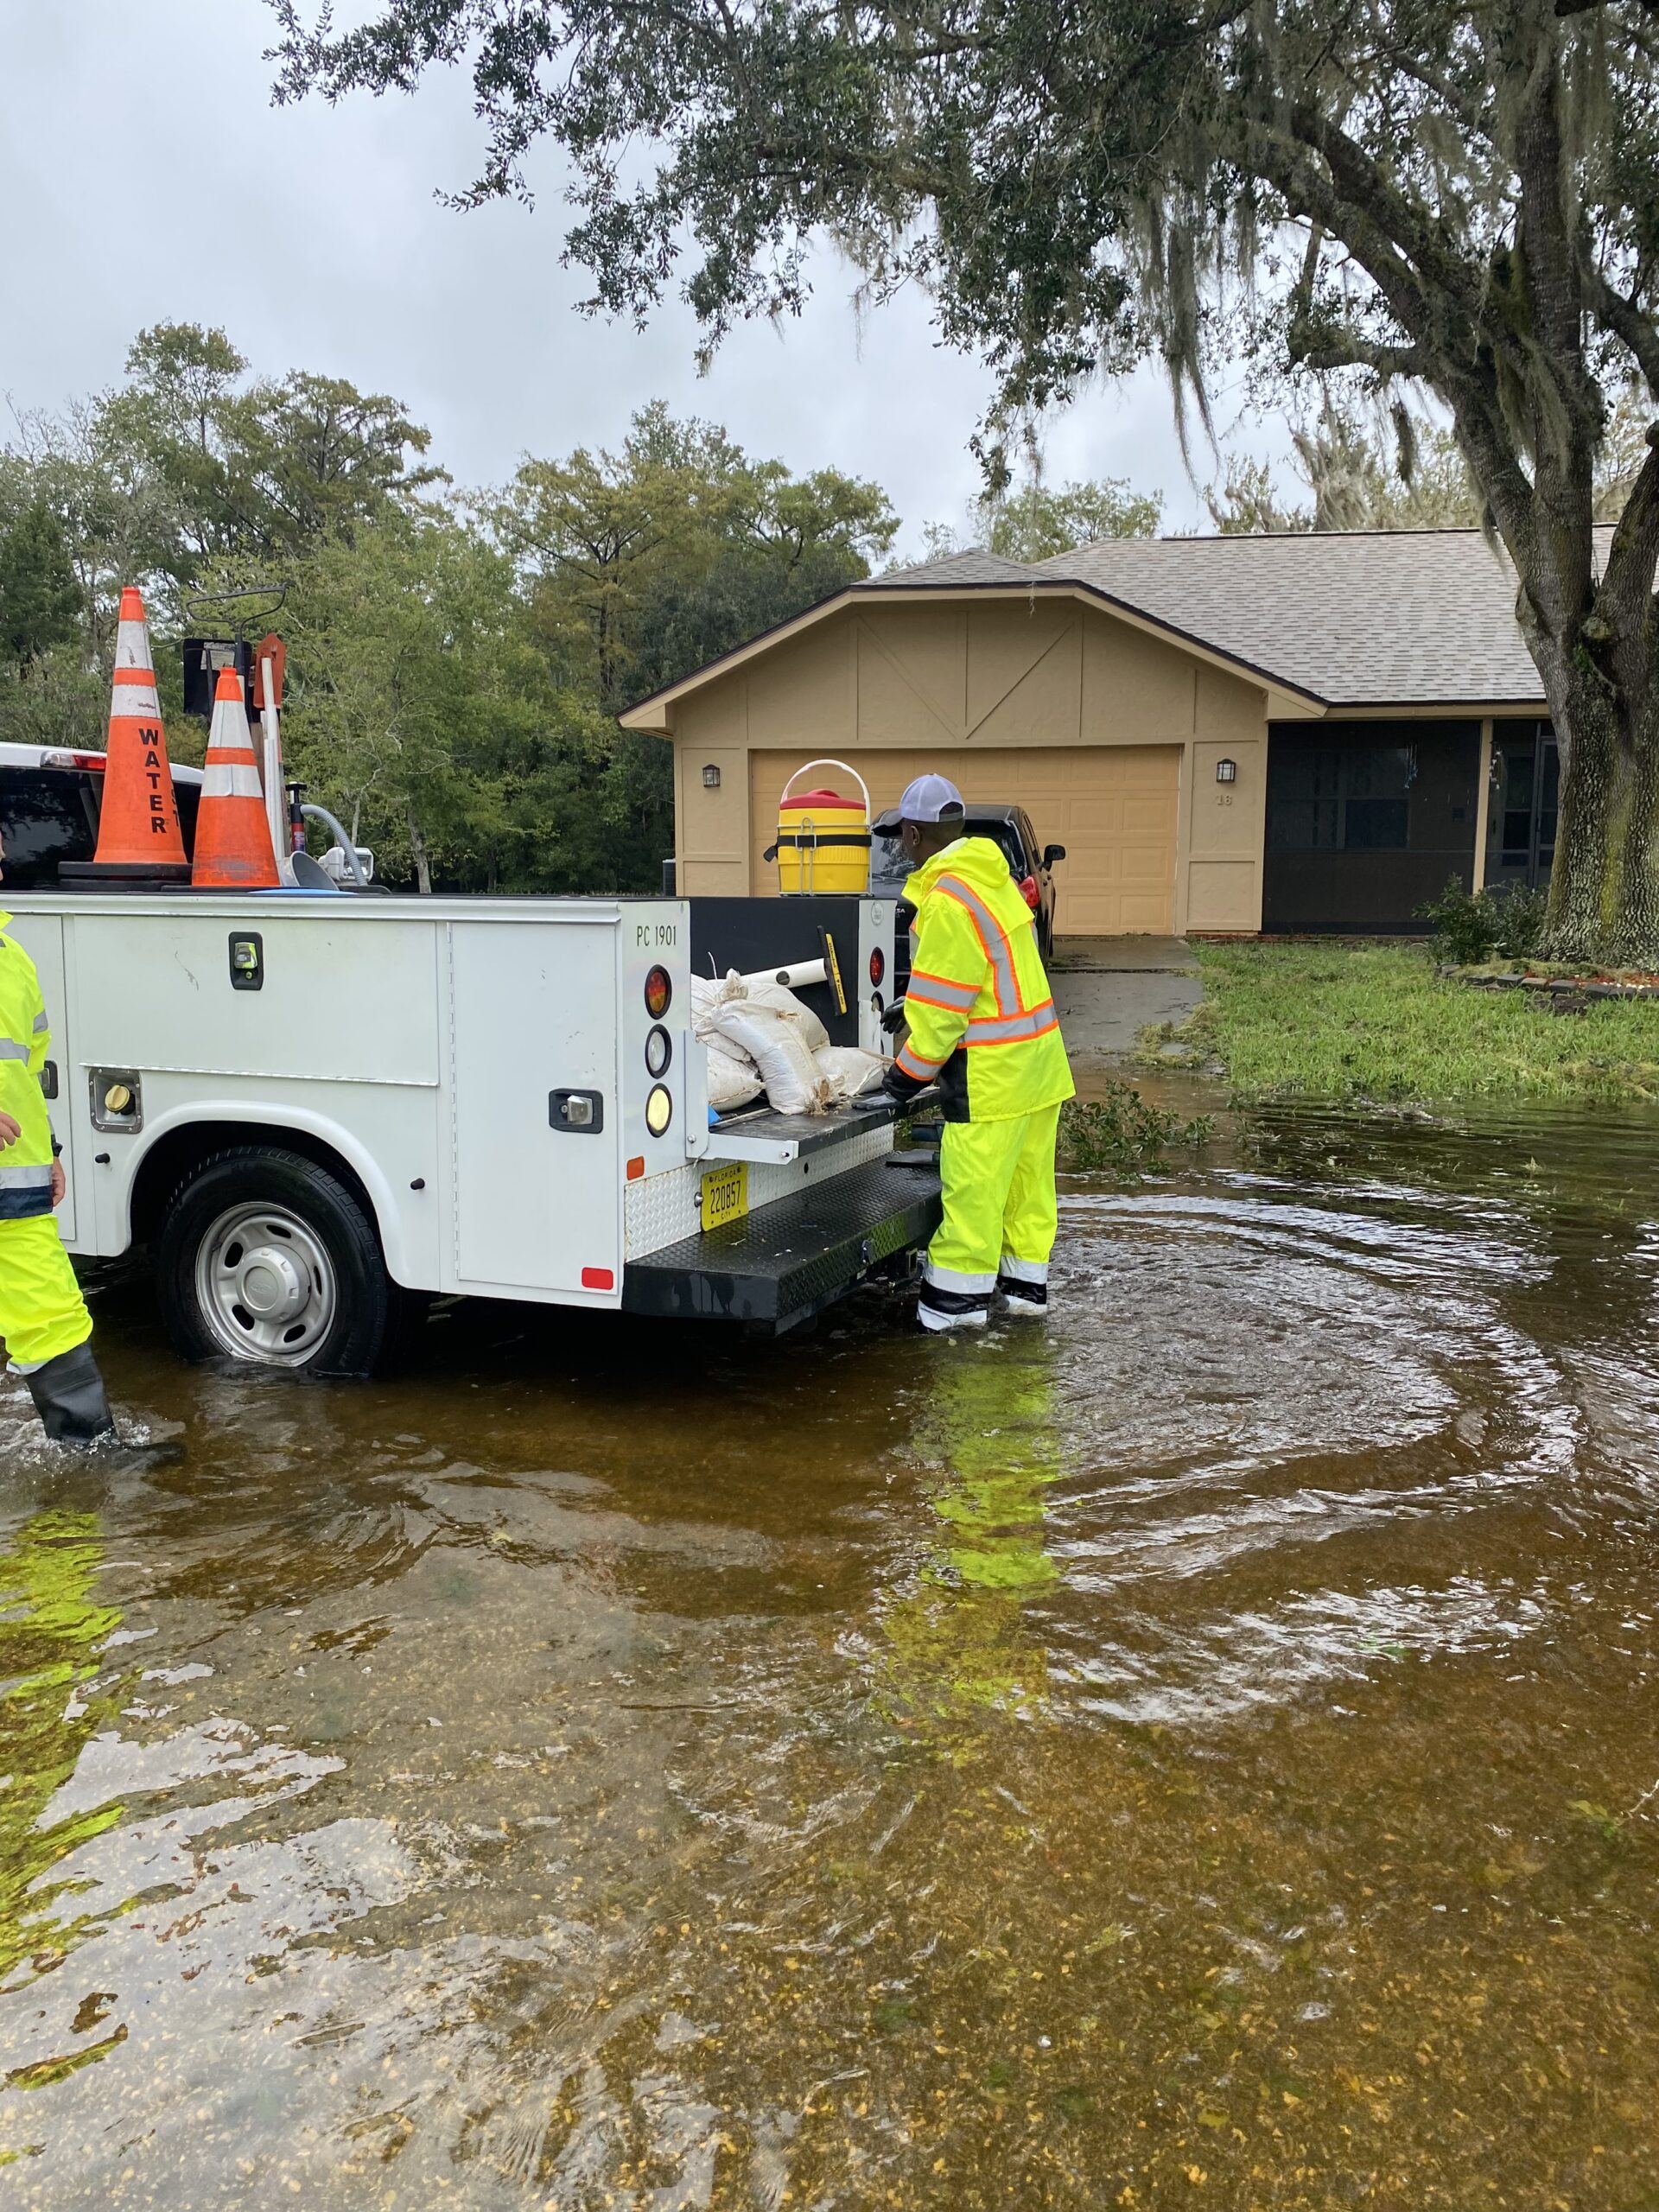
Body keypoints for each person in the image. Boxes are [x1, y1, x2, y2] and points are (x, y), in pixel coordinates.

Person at [881, 775, 1075, 1332]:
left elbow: (943, 1021)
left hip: (992, 1082)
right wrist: (913, 1001)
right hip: (1040, 1072)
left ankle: (953, 1320)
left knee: (972, 1207)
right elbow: (986, 981)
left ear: (916, 834)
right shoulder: (994, 882)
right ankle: (1023, 1308)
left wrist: (900, 1080)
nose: (899, 847)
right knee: (1026, 1202)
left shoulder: (944, 901)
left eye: (901, 837)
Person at [0, 828, 117, 1442]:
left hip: (14, 1186)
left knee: (53, 1317)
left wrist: (50, 1153)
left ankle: (89, 1455)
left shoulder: (11, 957)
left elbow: (27, 1071)